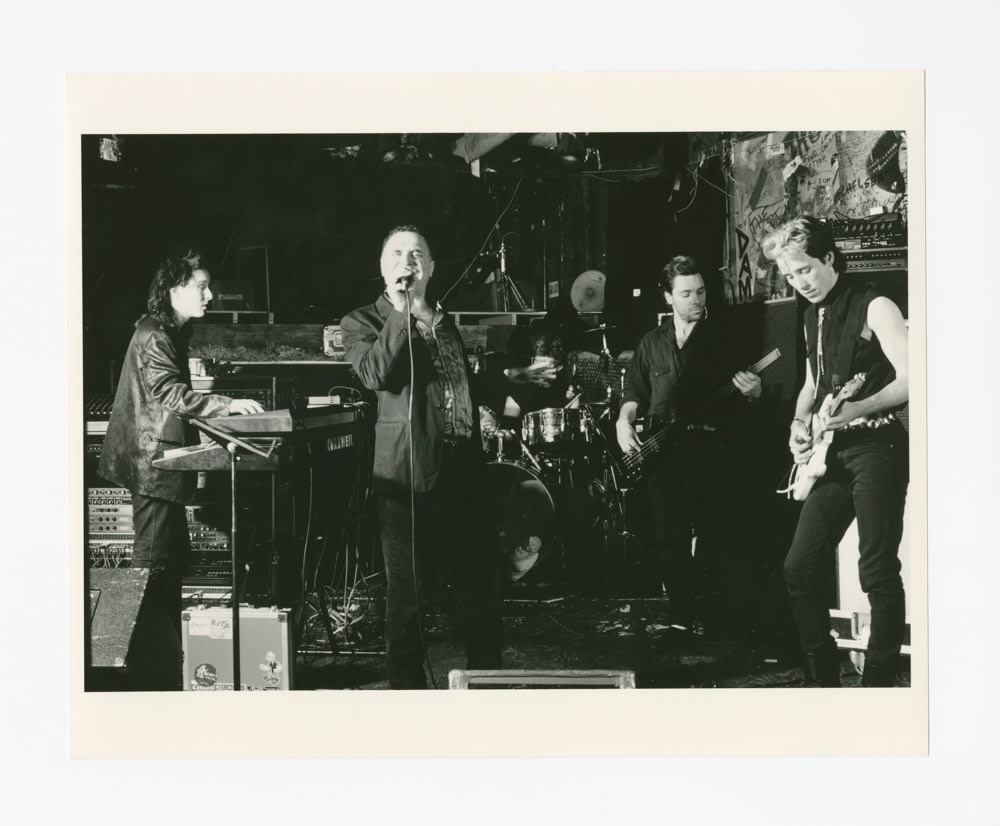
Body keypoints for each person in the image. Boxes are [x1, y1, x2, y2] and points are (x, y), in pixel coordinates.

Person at [341, 225, 553, 689]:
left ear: (432, 267)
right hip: (406, 475)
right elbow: (375, 373)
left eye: (417, 254)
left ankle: (486, 684)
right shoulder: (362, 322)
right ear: (382, 266)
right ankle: (408, 695)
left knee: (480, 586)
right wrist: (401, 312)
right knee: (408, 595)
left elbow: (458, 388)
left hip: (462, 471)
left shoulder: (445, 321)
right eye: (397, 253)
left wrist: (515, 382)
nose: (407, 261)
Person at [97, 247, 265, 690]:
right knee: (150, 564)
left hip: (157, 461)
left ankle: (152, 664)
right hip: (150, 464)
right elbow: (169, 393)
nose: (210, 295)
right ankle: (107, 661)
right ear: (173, 289)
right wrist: (226, 405)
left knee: (164, 563)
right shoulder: (156, 334)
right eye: (201, 286)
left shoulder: (167, 330)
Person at [761, 216, 909, 687]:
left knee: (877, 570)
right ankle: (823, 683)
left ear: (829, 258)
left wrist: (859, 407)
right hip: (833, 450)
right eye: (789, 275)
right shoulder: (810, 315)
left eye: (804, 269)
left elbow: (914, 376)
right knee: (798, 567)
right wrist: (798, 424)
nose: (799, 282)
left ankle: (878, 687)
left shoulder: (876, 305)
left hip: (877, 446)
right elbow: (811, 384)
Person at [615, 255, 762, 632]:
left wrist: (754, 391)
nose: (696, 300)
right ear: (668, 298)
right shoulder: (650, 343)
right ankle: (681, 621)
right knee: (669, 537)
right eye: (686, 293)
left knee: (721, 536)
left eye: (700, 291)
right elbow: (635, 391)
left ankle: (728, 623)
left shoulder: (726, 337)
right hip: (665, 452)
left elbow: (750, 393)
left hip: (713, 450)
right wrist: (623, 419)